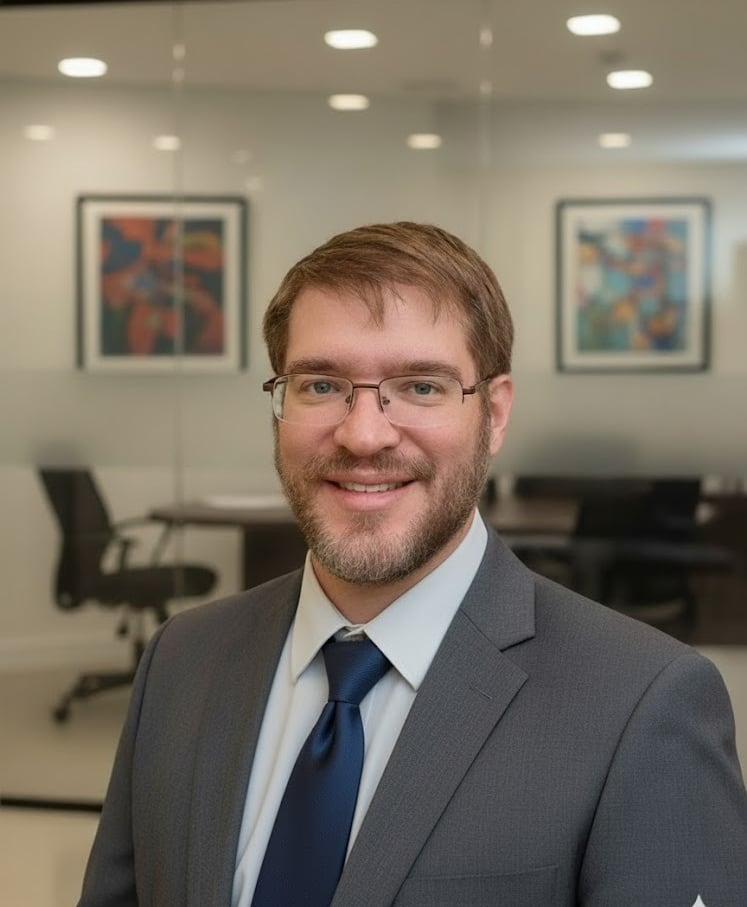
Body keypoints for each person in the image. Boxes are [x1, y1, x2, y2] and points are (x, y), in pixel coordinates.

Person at [79, 222, 747, 906]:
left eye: (421, 386)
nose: (363, 434)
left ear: (494, 414)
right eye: (320, 385)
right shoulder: (182, 660)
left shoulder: (642, 704)